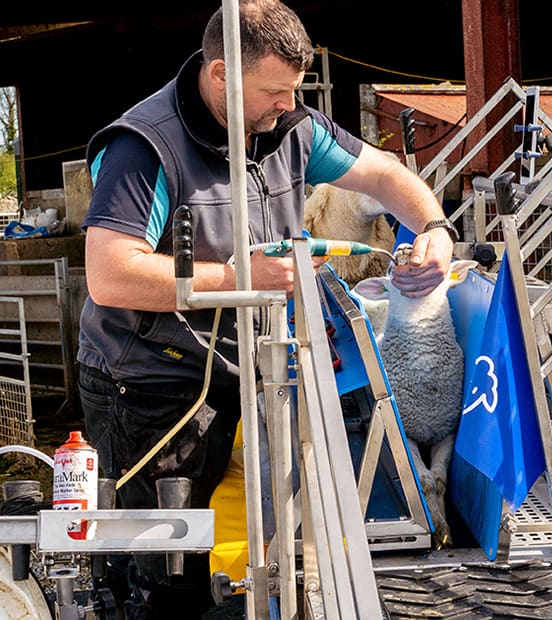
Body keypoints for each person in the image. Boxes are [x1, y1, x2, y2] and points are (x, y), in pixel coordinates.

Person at [77, 0, 456, 617]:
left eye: (293, 89)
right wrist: (235, 277)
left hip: (246, 376)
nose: (287, 103)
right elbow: (109, 275)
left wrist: (435, 227)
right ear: (221, 73)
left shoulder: (290, 128)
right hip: (148, 387)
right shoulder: (144, 147)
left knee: (251, 554)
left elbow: (386, 174)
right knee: (161, 575)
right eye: (273, 91)